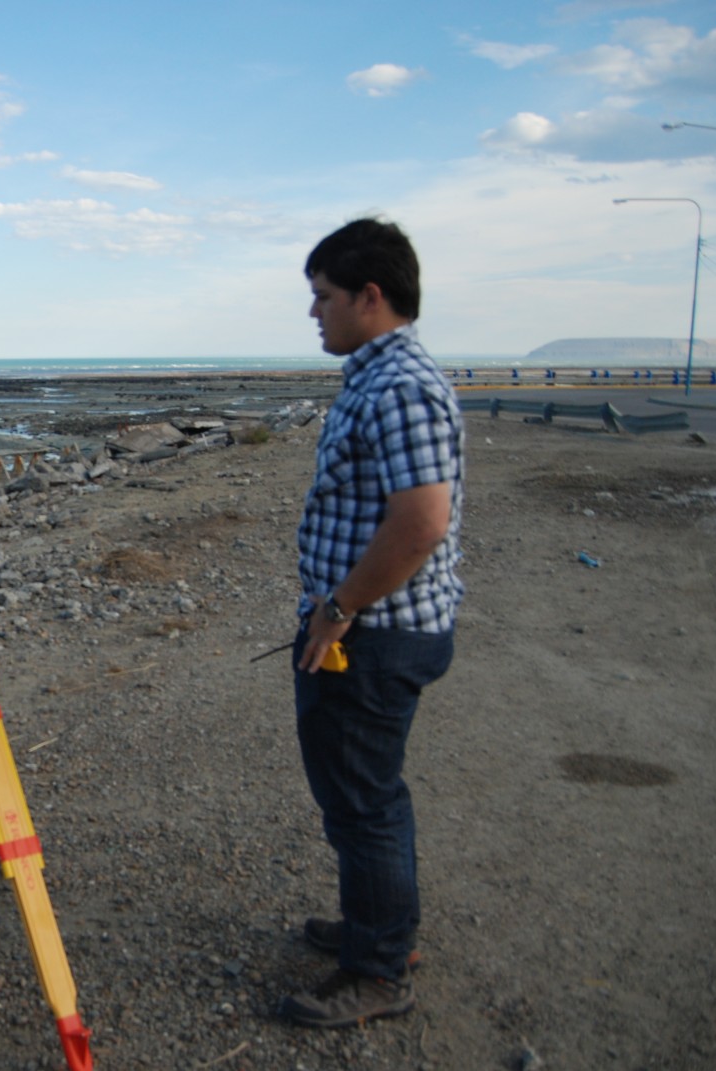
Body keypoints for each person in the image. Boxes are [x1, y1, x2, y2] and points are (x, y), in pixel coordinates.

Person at [279, 218, 464, 1028]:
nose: (313, 312)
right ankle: (378, 927)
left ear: (370, 295)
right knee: (359, 792)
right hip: (365, 624)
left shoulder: (400, 386)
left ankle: (380, 968)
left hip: (374, 633)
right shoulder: (376, 374)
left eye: (322, 296)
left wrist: (340, 608)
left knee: (364, 799)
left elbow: (421, 520)